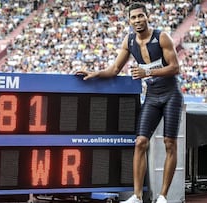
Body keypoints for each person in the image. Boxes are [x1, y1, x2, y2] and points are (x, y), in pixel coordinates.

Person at [75, 3, 183, 203]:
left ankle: (163, 196)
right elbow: (115, 68)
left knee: (170, 143)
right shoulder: (129, 41)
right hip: (152, 96)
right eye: (133, 18)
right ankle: (137, 196)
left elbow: (175, 67)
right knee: (140, 142)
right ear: (129, 21)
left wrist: (147, 72)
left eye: (140, 16)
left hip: (171, 95)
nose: (137, 20)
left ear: (147, 17)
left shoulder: (162, 37)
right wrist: (95, 73)